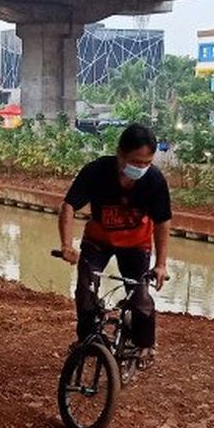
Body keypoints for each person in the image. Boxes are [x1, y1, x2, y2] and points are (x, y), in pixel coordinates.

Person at [57, 123, 171, 360]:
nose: (141, 168)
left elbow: (162, 222)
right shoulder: (96, 171)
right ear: (120, 153)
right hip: (98, 241)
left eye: (146, 163)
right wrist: (66, 245)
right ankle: (87, 341)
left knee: (140, 297)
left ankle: (145, 345)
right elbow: (68, 206)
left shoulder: (154, 180)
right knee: (85, 292)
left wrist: (161, 264)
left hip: (136, 244)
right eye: (135, 161)